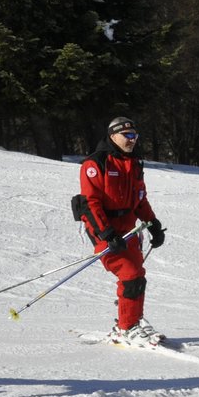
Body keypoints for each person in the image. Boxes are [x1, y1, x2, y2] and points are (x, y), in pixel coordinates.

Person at [79, 115, 166, 346]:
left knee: (138, 277)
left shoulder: (134, 163)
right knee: (129, 275)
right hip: (104, 229)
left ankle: (133, 320)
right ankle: (126, 329)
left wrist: (153, 224)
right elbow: (91, 204)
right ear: (113, 136)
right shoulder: (96, 163)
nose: (132, 140)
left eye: (134, 135)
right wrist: (107, 234)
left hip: (128, 229)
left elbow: (140, 199)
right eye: (127, 135)